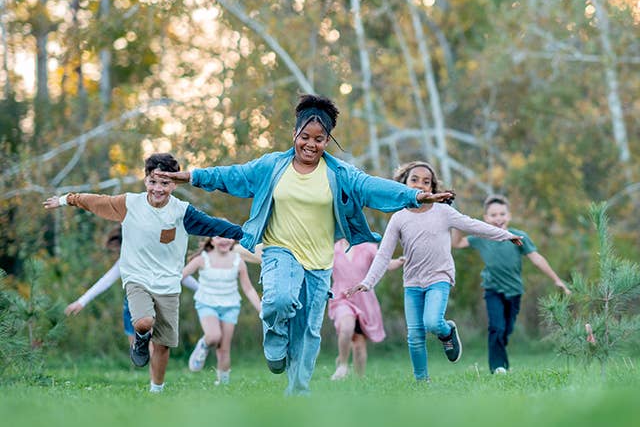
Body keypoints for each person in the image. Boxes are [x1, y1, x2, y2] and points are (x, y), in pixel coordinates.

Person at [156, 95, 453, 395]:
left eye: (319, 139)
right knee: (278, 299)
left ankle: (297, 390)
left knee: (308, 332)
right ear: (295, 134)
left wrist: (414, 196)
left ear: (328, 140)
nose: (311, 144)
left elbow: (373, 186)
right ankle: (274, 339)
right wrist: (191, 176)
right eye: (305, 137)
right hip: (278, 251)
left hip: (320, 262)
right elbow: (231, 175)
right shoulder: (273, 166)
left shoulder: (339, 174)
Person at [43, 153, 243, 393]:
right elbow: (95, 201)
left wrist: (248, 234)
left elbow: (215, 225)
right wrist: (67, 199)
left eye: (165, 183)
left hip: (168, 285)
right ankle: (140, 338)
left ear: (175, 183)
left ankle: (156, 390)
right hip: (136, 278)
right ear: (145, 180)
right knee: (143, 321)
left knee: (163, 345)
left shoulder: (182, 212)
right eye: (153, 181)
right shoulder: (129, 204)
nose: (158, 189)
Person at [347, 161, 523, 383]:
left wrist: (505, 235)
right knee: (415, 336)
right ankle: (422, 382)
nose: (420, 185)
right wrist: (368, 282)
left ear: (432, 188)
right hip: (412, 282)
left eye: (426, 182)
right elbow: (383, 255)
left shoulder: (444, 212)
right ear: (404, 184)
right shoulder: (399, 217)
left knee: (432, 322)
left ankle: (447, 331)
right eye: (414, 180)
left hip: (439, 277)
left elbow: (474, 225)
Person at [451, 194, 570, 374]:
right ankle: (498, 367)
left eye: (502, 214)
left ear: (509, 216)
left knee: (506, 330)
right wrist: (457, 223)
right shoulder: (482, 236)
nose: (498, 218)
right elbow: (457, 243)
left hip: (514, 291)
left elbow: (536, 259)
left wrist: (556, 280)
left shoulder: (519, 236)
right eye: (493, 215)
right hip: (492, 289)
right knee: (496, 327)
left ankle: (502, 364)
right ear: (486, 218)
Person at [64, 226, 199, 346]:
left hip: (155, 304)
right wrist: (81, 302)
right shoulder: (126, 260)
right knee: (136, 348)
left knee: (153, 344)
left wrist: (205, 291)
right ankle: (142, 363)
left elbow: (181, 277)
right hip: (131, 305)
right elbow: (106, 281)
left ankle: (152, 369)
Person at [182, 236, 261, 385]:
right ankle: (204, 344)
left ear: (233, 241)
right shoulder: (202, 259)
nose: (225, 240)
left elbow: (248, 289)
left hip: (230, 306)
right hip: (207, 304)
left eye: (228, 237)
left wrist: (261, 309)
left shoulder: (238, 261)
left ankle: (223, 383)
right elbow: (181, 275)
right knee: (213, 336)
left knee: (224, 348)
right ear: (211, 240)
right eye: (219, 237)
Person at [328, 239, 404, 380]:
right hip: (342, 298)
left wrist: (399, 262)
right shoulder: (333, 250)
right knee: (346, 327)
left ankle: (359, 379)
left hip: (364, 301)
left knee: (359, 344)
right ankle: (342, 365)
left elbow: (383, 264)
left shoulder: (368, 247)